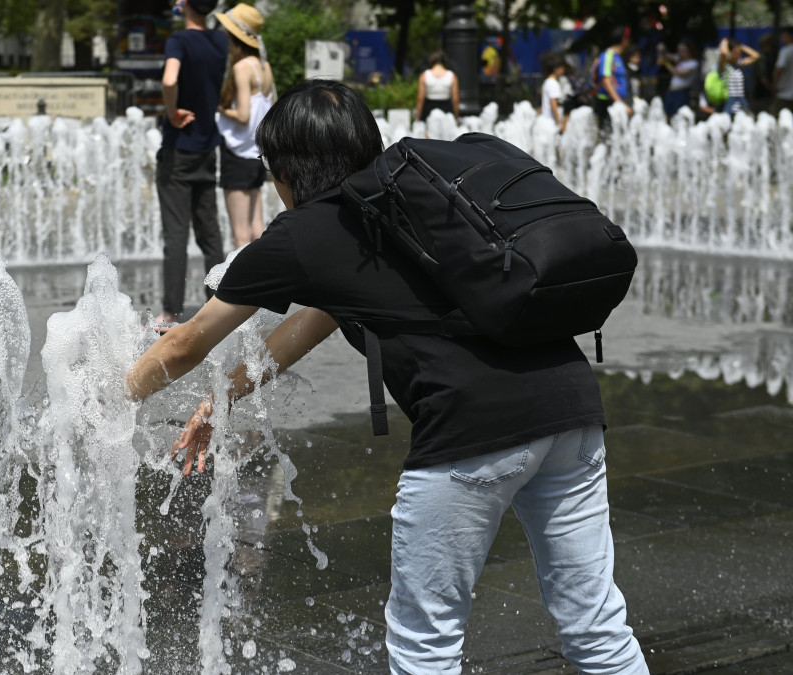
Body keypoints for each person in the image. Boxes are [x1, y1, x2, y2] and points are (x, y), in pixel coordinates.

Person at [125, 79, 649, 674]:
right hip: (571, 411)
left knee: (424, 646)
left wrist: (102, 404)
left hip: (471, 433)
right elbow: (315, 321)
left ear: (287, 170)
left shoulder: (305, 234)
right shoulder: (404, 202)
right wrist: (221, 402)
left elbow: (187, 342)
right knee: (596, 626)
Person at [154, 0, 229, 331]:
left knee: (176, 235)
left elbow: (170, 80)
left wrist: (172, 112)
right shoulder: (220, 42)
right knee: (210, 233)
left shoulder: (179, 41)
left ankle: (171, 313)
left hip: (179, 147)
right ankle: (219, 303)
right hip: (207, 146)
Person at [214, 3, 275, 250]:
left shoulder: (241, 68)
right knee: (257, 230)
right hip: (256, 152)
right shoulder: (264, 66)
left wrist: (217, 108)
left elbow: (242, 116)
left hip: (237, 151)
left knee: (239, 236)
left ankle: (240, 287)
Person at [594, 27, 633, 131]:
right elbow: (606, 82)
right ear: (623, 39)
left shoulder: (617, 56)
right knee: (608, 137)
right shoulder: (608, 55)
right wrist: (620, 104)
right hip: (607, 103)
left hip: (616, 102)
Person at [414, 50, 460, 124]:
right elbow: (455, 99)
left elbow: (420, 98)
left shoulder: (424, 75)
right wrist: (456, 117)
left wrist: (418, 117)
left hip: (428, 108)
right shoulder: (452, 76)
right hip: (446, 108)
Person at [719, 37, 760, 116]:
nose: (738, 56)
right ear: (729, 52)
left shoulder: (739, 64)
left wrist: (741, 46)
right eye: (735, 53)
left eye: (739, 53)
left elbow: (756, 56)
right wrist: (724, 42)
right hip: (729, 103)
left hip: (741, 101)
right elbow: (724, 53)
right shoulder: (724, 65)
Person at [659, 41, 699, 117]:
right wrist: (662, 49)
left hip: (681, 93)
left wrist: (665, 63)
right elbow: (667, 55)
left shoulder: (693, 63)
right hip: (671, 92)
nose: (681, 53)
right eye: (679, 50)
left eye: (684, 51)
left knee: (677, 116)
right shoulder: (680, 60)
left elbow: (680, 73)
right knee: (667, 114)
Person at [540, 51, 567, 131]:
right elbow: (554, 104)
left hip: (546, 122)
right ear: (556, 69)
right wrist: (560, 122)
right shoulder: (553, 83)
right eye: (562, 68)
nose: (564, 70)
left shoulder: (547, 81)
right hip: (551, 124)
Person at [772, 27, 793, 115]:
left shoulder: (785, 51)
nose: (782, 39)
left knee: (777, 117)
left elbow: (779, 70)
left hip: (784, 94)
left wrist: (774, 85)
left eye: (783, 36)